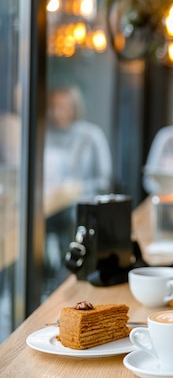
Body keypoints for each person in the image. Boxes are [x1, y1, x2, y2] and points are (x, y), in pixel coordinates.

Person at [44, 85, 112, 294]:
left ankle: (66, 278)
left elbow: (105, 180)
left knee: (71, 217)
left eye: (65, 106)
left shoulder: (91, 135)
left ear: (75, 107)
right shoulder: (45, 134)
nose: (60, 112)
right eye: (55, 107)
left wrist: (79, 188)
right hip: (50, 205)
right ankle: (46, 278)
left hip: (82, 205)